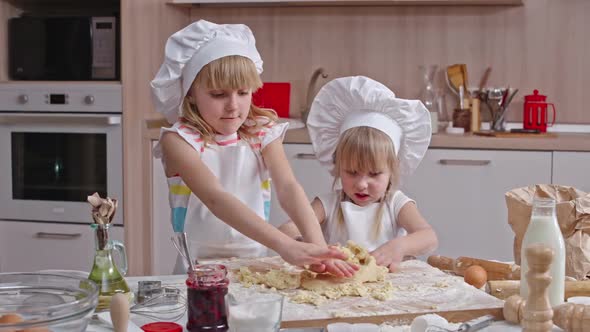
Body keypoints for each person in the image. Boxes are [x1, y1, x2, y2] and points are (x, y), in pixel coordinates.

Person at [151, 20, 357, 276]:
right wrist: (285, 245)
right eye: (218, 94)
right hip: (196, 268)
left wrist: (320, 248)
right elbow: (216, 198)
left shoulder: (262, 133)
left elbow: (288, 187)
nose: (233, 106)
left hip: (254, 263)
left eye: (243, 92)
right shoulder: (179, 140)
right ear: (190, 92)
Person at [279, 76, 439, 272]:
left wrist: (399, 246)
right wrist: (308, 246)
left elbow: (429, 237)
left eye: (374, 174)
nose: (362, 184)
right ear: (338, 165)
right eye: (352, 172)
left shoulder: (396, 203)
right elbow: (286, 231)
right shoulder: (327, 204)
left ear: (392, 169)